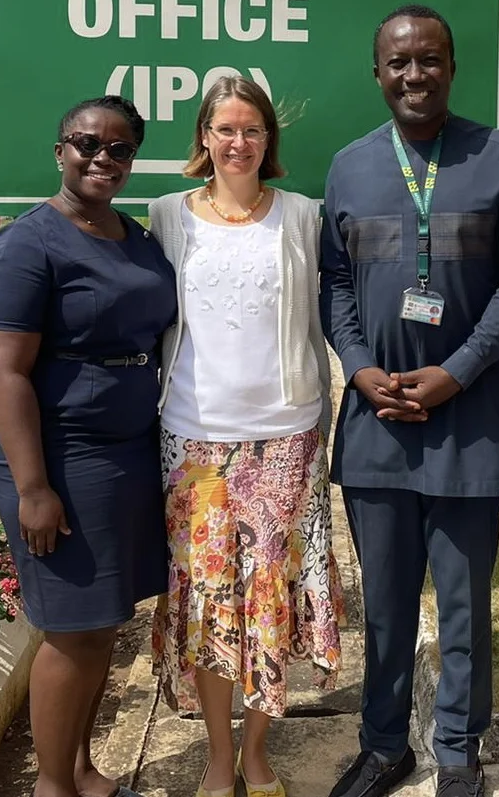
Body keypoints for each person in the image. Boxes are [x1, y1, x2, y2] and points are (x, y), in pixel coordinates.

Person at [320, 5, 499, 797]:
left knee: (462, 605)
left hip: (468, 418)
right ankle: (384, 745)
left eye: (428, 59)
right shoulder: (349, 166)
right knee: (381, 606)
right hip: (375, 420)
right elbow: (337, 281)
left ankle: (457, 750)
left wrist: (457, 369)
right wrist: (355, 366)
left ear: (451, 66)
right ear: (377, 73)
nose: (413, 74)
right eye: (398, 62)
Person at [0, 95, 176, 797]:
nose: (102, 158)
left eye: (119, 149)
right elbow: (4, 371)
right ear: (59, 149)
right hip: (57, 453)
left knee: (102, 623)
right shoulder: (29, 242)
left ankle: (83, 768)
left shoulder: (134, 234)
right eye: (86, 143)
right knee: (71, 628)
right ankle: (53, 786)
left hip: (125, 449)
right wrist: (33, 487)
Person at [148, 75, 343, 797]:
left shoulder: (300, 215)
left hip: (285, 434)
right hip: (194, 438)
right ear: (203, 136)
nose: (237, 142)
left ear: (269, 141)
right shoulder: (167, 214)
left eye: (251, 130)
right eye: (224, 129)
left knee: (270, 596)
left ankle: (257, 751)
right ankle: (217, 758)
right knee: (205, 600)